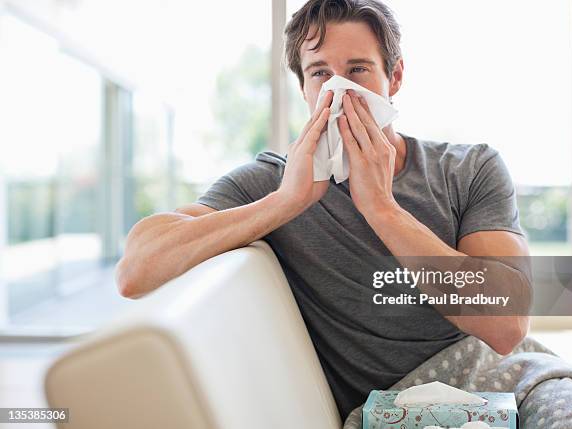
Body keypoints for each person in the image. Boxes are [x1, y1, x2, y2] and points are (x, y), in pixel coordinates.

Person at [115, 0, 530, 420]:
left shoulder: (470, 168)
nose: (338, 90)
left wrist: (383, 210)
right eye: (320, 73)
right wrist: (285, 202)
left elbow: (508, 325)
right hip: (398, 409)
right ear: (304, 89)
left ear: (395, 76)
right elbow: (135, 270)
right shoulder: (273, 182)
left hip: (498, 378)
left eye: (358, 70)